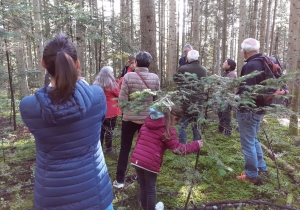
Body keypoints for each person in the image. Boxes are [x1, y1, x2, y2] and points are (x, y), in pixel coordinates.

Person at [19, 34, 114, 209]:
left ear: (43, 64)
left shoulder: (29, 106)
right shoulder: (97, 96)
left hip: (51, 196)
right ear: (77, 65)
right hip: (96, 192)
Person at [130, 107, 203, 210]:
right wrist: (196, 145)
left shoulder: (148, 122)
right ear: (174, 118)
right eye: (176, 122)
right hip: (150, 163)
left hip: (137, 159)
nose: (175, 125)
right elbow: (177, 149)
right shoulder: (168, 129)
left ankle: (145, 207)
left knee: (143, 186)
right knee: (150, 189)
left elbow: (138, 140)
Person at [114, 51, 160, 188]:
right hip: (147, 120)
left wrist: (127, 111)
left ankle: (120, 180)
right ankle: (143, 180)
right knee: (146, 150)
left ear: (137, 62)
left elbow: (122, 99)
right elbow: (157, 100)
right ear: (148, 64)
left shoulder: (128, 77)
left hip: (129, 119)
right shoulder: (155, 78)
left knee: (125, 149)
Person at [236, 38, 271, 184]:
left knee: (248, 142)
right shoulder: (265, 61)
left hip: (248, 109)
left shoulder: (251, 65)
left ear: (245, 52)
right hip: (260, 108)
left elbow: (246, 90)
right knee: (253, 139)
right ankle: (261, 167)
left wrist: (236, 99)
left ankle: (251, 175)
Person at [174, 50, 207, 144]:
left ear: (187, 58)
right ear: (198, 57)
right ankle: (196, 147)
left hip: (186, 102)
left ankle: (183, 147)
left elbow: (176, 80)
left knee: (182, 125)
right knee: (196, 126)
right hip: (199, 103)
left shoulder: (183, 69)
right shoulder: (203, 69)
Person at [94, 66, 121, 154]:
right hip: (111, 111)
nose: (113, 74)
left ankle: (100, 148)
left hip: (99, 111)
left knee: (101, 130)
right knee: (110, 130)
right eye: (112, 72)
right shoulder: (111, 84)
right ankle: (109, 149)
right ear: (109, 74)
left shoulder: (96, 83)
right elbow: (118, 94)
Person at [217, 59, 237, 136]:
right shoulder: (225, 73)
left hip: (228, 98)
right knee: (220, 113)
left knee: (226, 115)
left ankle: (228, 133)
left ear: (229, 66)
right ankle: (220, 129)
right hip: (222, 97)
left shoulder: (232, 74)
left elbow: (227, 86)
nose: (223, 63)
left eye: (225, 62)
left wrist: (219, 80)